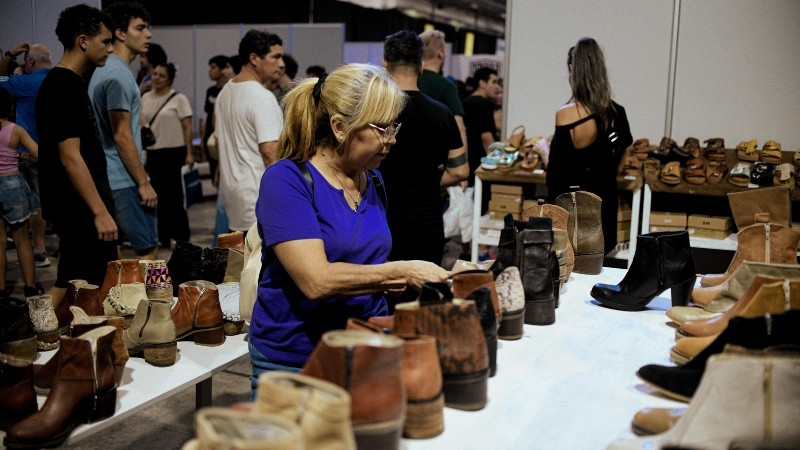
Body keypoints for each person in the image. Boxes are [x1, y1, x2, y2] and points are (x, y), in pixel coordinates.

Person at [249, 63, 450, 394]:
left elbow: (364, 262)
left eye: (394, 128)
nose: (391, 140)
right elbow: (316, 281)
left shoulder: (371, 179)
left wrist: (397, 284)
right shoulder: (286, 181)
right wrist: (400, 272)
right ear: (340, 127)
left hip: (364, 344)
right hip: (298, 359)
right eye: (381, 129)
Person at [35, 4, 117, 306]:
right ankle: (34, 330)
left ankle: (44, 333)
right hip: (80, 207)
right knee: (81, 283)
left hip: (78, 205)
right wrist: (100, 212)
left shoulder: (66, 83)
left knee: (75, 278)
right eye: (105, 41)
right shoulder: (63, 85)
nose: (110, 48)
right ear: (83, 41)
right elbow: (70, 156)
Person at [379, 30, 466, 269]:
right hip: (428, 224)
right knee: (422, 298)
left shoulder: (374, 112)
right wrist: (426, 182)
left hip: (382, 221)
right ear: (421, 65)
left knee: (383, 294)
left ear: (385, 63)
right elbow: (460, 171)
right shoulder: (442, 113)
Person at [545, 37, 633, 254]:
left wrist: (542, 151)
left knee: (571, 277)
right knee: (598, 273)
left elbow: (555, 176)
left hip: (572, 212)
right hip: (604, 210)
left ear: (574, 71)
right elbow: (618, 165)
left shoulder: (566, 115)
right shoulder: (617, 113)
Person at [89, 1, 159, 260]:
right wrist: (143, 182)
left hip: (114, 176)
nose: (148, 34)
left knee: (117, 257)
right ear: (120, 33)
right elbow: (121, 134)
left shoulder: (109, 70)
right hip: (123, 179)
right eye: (140, 28)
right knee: (147, 251)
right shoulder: (117, 75)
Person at [215, 29, 284, 233]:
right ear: (254, 58)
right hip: (258, 197)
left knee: (246, 260)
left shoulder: (225, 92)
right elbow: (271, 152)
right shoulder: (262, 97)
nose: (282, 64)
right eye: (276, 57)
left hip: (234, 197)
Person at [0, 42, 52, 268]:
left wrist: (11, 55)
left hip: (27, 152)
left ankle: (39, 249)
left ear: (30, 61)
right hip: (55, 150)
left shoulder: (27, 82)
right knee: (44, 200)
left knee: (34, 203)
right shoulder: (57, 79)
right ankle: (42, 248)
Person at [141, 63, 193, 249]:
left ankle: (181, 237)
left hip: (175, 152)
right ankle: (162, 236)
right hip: (154, 153)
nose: (156, 78)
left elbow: (187, 127)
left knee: (176, 198)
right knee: (158, 197)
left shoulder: (179, 99)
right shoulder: (145, 98)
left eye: (161, 75)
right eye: (154, 74)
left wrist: (189, 152)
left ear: (169, 79)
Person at [0, 88, 40, 298]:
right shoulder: (16, 130)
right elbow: (39, 154)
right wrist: (22, 157)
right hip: (12, 184)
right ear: (11, 107)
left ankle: (1, 289)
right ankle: (31, 287)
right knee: (22, 239)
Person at [200, 55, 232, 247]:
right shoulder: (212, 91)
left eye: (213, 67)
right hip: (214, 142)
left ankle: (223, 236)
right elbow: (209, 118)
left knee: (223, 193)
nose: (210, 71)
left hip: (225, 144)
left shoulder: (229, 91)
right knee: (218, 186)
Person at [462, 67, 500, 187]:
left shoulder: (464, 102)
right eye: (493, 82)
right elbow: (486, 138)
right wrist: (497, 161)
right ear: (482, 83)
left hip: (467, 162)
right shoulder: (484, 104)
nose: (497, 87)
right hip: (481, 164)